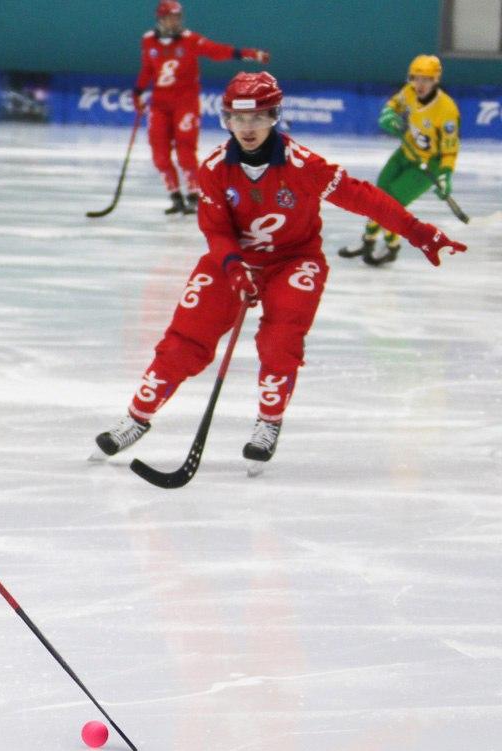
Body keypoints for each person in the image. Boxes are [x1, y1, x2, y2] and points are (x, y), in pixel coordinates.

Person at [93, 73, 466, 472]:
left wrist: (418, 232)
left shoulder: (304, 165)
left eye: (257, 118)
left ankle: (268, 423)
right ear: (226, 120)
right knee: (186, 337)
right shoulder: (215, 168)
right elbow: (215, 230)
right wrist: (234, 267)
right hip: (233, 261)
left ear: (274, 117)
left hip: (295, 260)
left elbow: (363, 197)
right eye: (237, 119)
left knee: (279, 339)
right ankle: (136, 418)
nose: (246, 128)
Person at [133, 0, 270, 215]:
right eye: (171, 17)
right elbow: (147, 70)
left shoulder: (190, 40)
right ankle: (175, 194)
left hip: (184, 103)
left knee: (185, 151)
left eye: (178, 17)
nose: (175, 21)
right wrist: (138, 92)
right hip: (159, 104)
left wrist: (250, 53)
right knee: (159, 153)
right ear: (161, 18)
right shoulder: (148, 40)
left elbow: (218, 51)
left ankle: (194, 194)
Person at [340, 55, 460, 266]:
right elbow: (395, 104)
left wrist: (445, 175)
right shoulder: (409, 91)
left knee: (390, 203)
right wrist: (388, 115)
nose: (420, 84)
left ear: (435, 80)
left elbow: (450, 150)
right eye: (416, 78)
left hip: (427, 164)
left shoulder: (447, 110)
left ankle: (391, 246)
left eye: (426, 79)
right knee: (376, 196)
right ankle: (368, 240)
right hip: (405, 152)